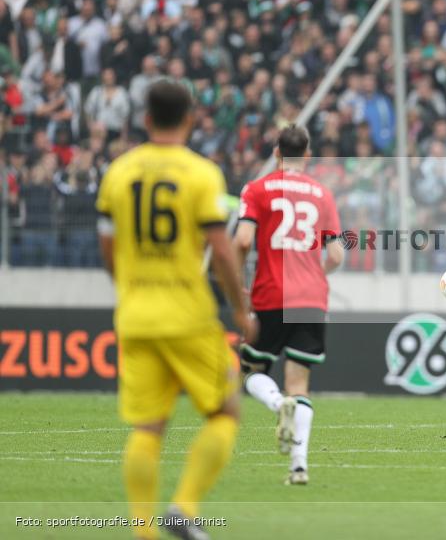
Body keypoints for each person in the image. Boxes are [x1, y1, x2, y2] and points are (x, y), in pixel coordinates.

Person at [96, 81, 255, 540]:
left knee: (147, 426)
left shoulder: (119, 172)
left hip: (135, 315)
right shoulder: (200, 173)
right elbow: (222, 252)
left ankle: (142, 532)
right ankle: (183, 509)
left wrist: (128, 287)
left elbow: (108, 246)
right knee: (225, 412)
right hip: (186, 314)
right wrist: (240, 309)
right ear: (190, 119)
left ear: (145, 119)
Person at [233, 125, 345, 486]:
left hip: (270, 294)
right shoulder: (322, 195)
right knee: (301, 384)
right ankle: (299, 467)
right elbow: (337, 254)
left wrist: (238, 284)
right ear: (307, 154)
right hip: (312, 298)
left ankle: (276, 403)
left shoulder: (257, 189)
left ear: (277, 153)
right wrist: (316, 273)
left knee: (251, 371)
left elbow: (242, 240)